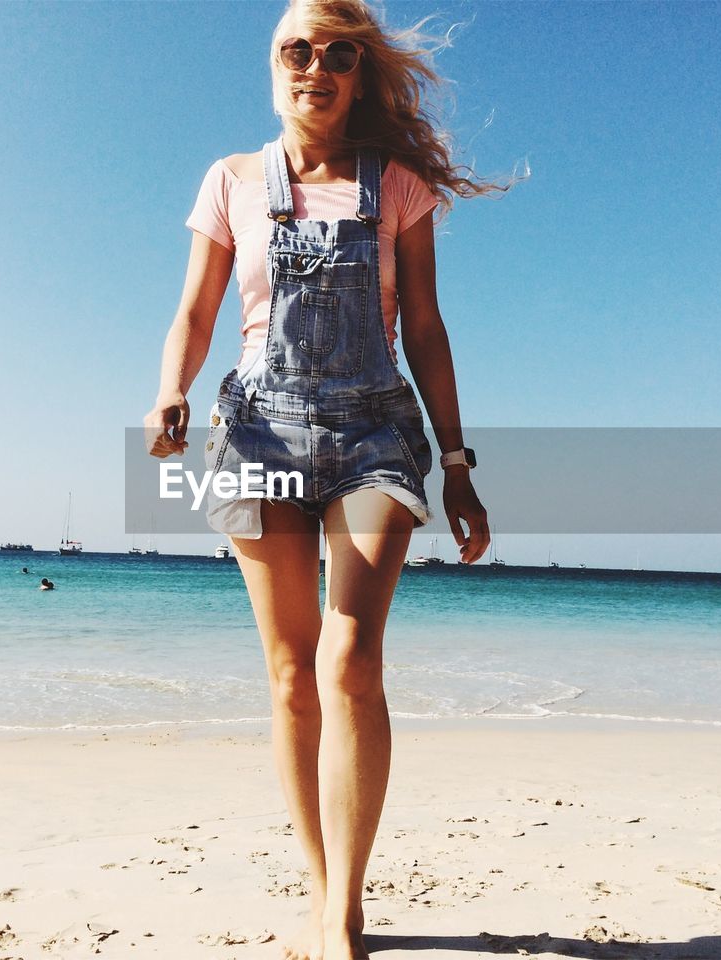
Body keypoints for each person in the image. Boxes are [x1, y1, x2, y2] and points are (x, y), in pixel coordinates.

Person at [145, 2, 502, 956]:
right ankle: (318, 884)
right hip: (259, 432)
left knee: (351, 660)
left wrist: (459, 465)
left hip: (374, 431)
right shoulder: (229, 181)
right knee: (291, 676)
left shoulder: (399, 187)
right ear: (273, 65)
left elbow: (423, 328)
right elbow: (196, 307)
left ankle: (345, 907)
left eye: (339, 53)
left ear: (360, 73)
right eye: (297, 49)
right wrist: (170, 391)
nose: (317, 67)